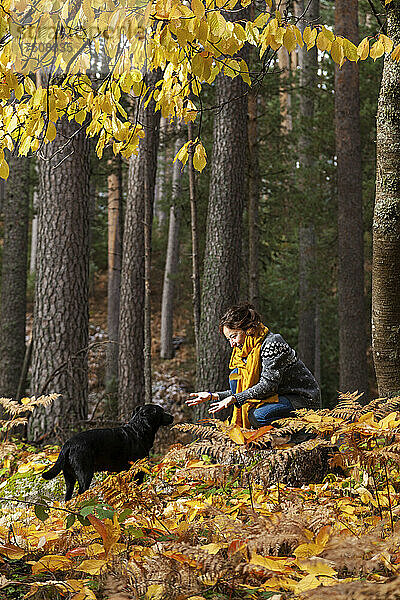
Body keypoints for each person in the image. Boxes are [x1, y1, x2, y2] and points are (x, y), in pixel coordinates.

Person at [186, 302, 321, 429]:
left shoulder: (272, 343)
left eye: (234, 336)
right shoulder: (243, 354)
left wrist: (234, 399)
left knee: (258, 416)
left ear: (248, 329)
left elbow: (268, 386)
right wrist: (212, 396)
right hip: (277, 396)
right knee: (236, 378)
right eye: (229, 339)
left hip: (301, 399)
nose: (232, 344)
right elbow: (240, 391)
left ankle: (299, 436)